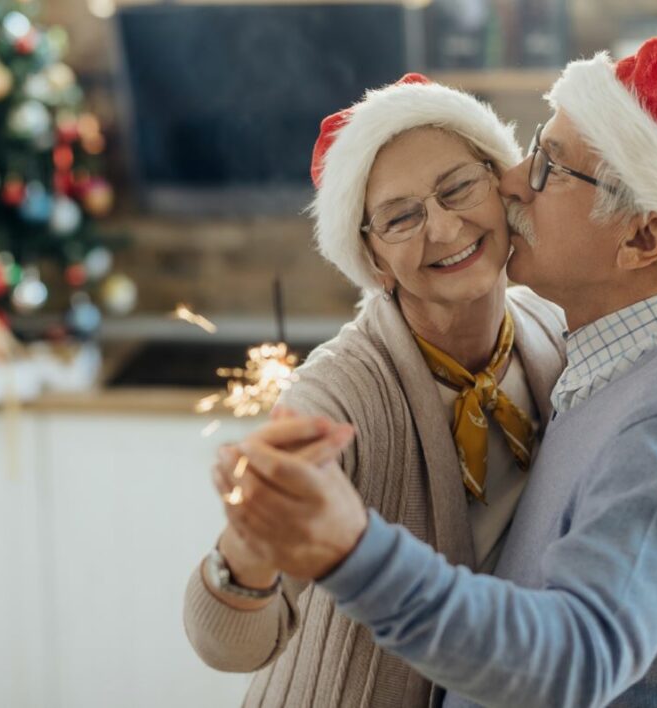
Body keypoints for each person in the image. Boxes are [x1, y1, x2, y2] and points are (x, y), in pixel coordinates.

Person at [217, 37, 657, 707]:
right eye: (400, 217)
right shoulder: (604, 357)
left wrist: (354, 550)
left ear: (641, 240)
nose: (514, 180)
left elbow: (575, 660)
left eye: (550, 165)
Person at [182, 74, 567, 706]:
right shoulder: (337, 392)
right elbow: (227, 643)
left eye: (458, 188)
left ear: (502, 185)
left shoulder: (553, 330)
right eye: (400, 217)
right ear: (373, 259)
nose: (442, 229)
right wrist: (246, 547)